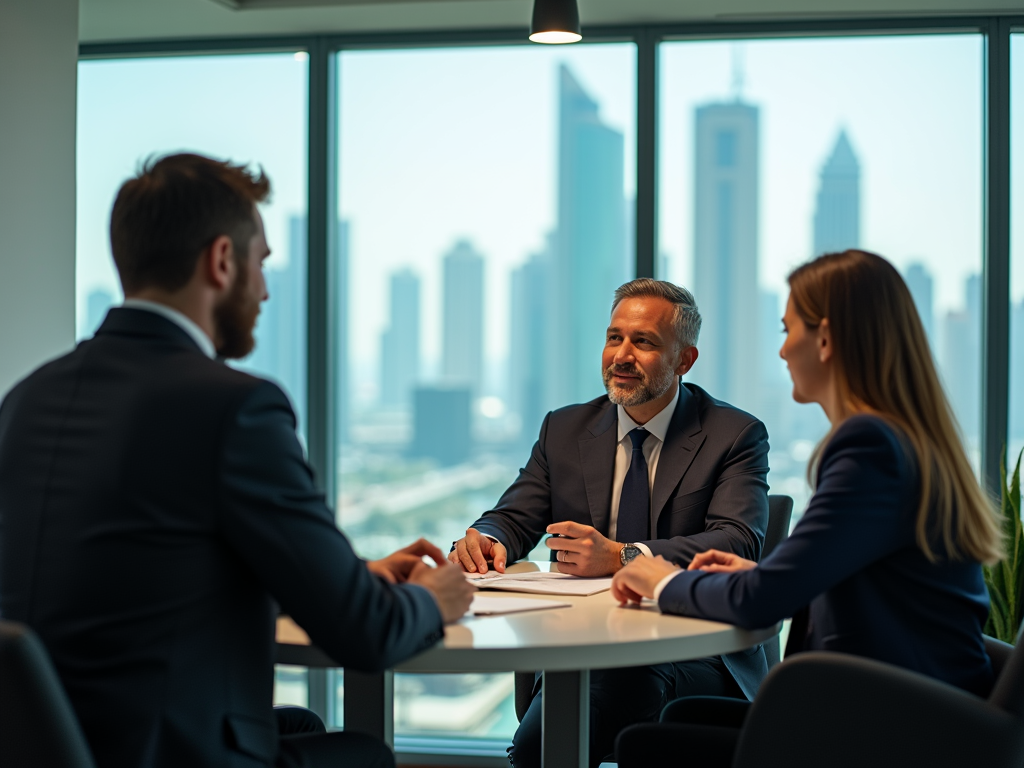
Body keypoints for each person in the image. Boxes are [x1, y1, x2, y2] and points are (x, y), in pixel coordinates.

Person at [0, 153, 475, 768]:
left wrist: (348, 573)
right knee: (365, 754)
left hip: (48, 740)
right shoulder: (234, 407)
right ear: (222, 261)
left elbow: (148, 567)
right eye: (262, 263)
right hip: (163, 749)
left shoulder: (28, 397)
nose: (266, 289)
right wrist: (435, 598)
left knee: (301, 725)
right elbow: (364, 635)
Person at [611, 249, 1005, 766]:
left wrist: (656, 577)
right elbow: (861, 582)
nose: (782, 352)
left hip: (896, 725)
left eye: (787, 329)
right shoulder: (902, 439)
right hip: (920, 704)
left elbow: (761, 603)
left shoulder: (869, 446)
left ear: (825, 340)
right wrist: (762, 571)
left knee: (646, 744)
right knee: (677, 720)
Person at [448, 278, 771, 768]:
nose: (621, 355)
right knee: (586, 695)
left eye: (643, 342)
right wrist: (486, 538)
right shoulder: (565, 428)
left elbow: (738, 540)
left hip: (696, 650)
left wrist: (624, 556)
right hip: (581, 644)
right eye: (614, 337)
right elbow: (515, 515)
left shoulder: (734, 434)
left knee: (597, 699)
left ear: (685, 360)